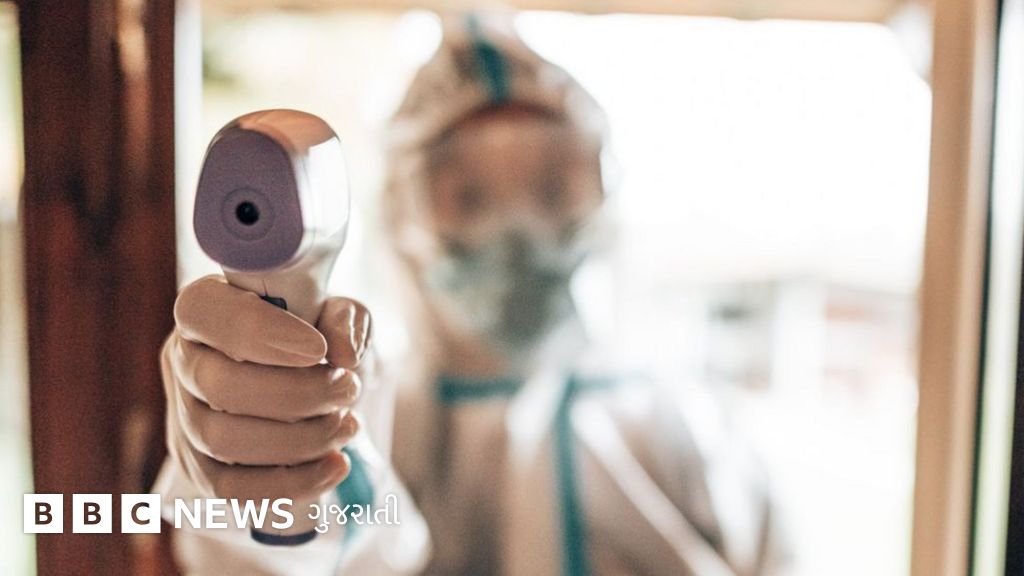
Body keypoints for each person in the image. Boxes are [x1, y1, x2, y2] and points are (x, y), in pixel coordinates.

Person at [156, 15, 787, 576]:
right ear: (402, 217)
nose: (516, 238)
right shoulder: (361, 414)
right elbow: (268, 556)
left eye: (551, 191)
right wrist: (266, 475)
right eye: (469, 198)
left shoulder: (689, 436)